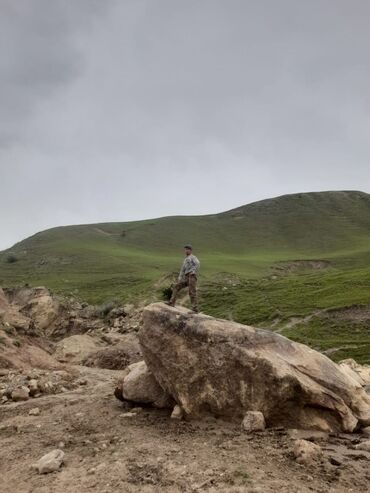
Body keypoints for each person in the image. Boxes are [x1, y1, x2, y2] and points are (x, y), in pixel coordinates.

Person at [168, 244, 200, 312]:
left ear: (190, 250)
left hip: (192, 276)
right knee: (176, 287)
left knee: (192, 292)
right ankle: (172, 302)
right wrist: (180, 277)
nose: (186, 251)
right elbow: (182, 269)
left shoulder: (193, 257)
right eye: (185, 249)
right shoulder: (185, 259)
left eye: (187, 249)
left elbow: (197, 264)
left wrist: (193, 271)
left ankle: (195, 309)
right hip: (186, 277)